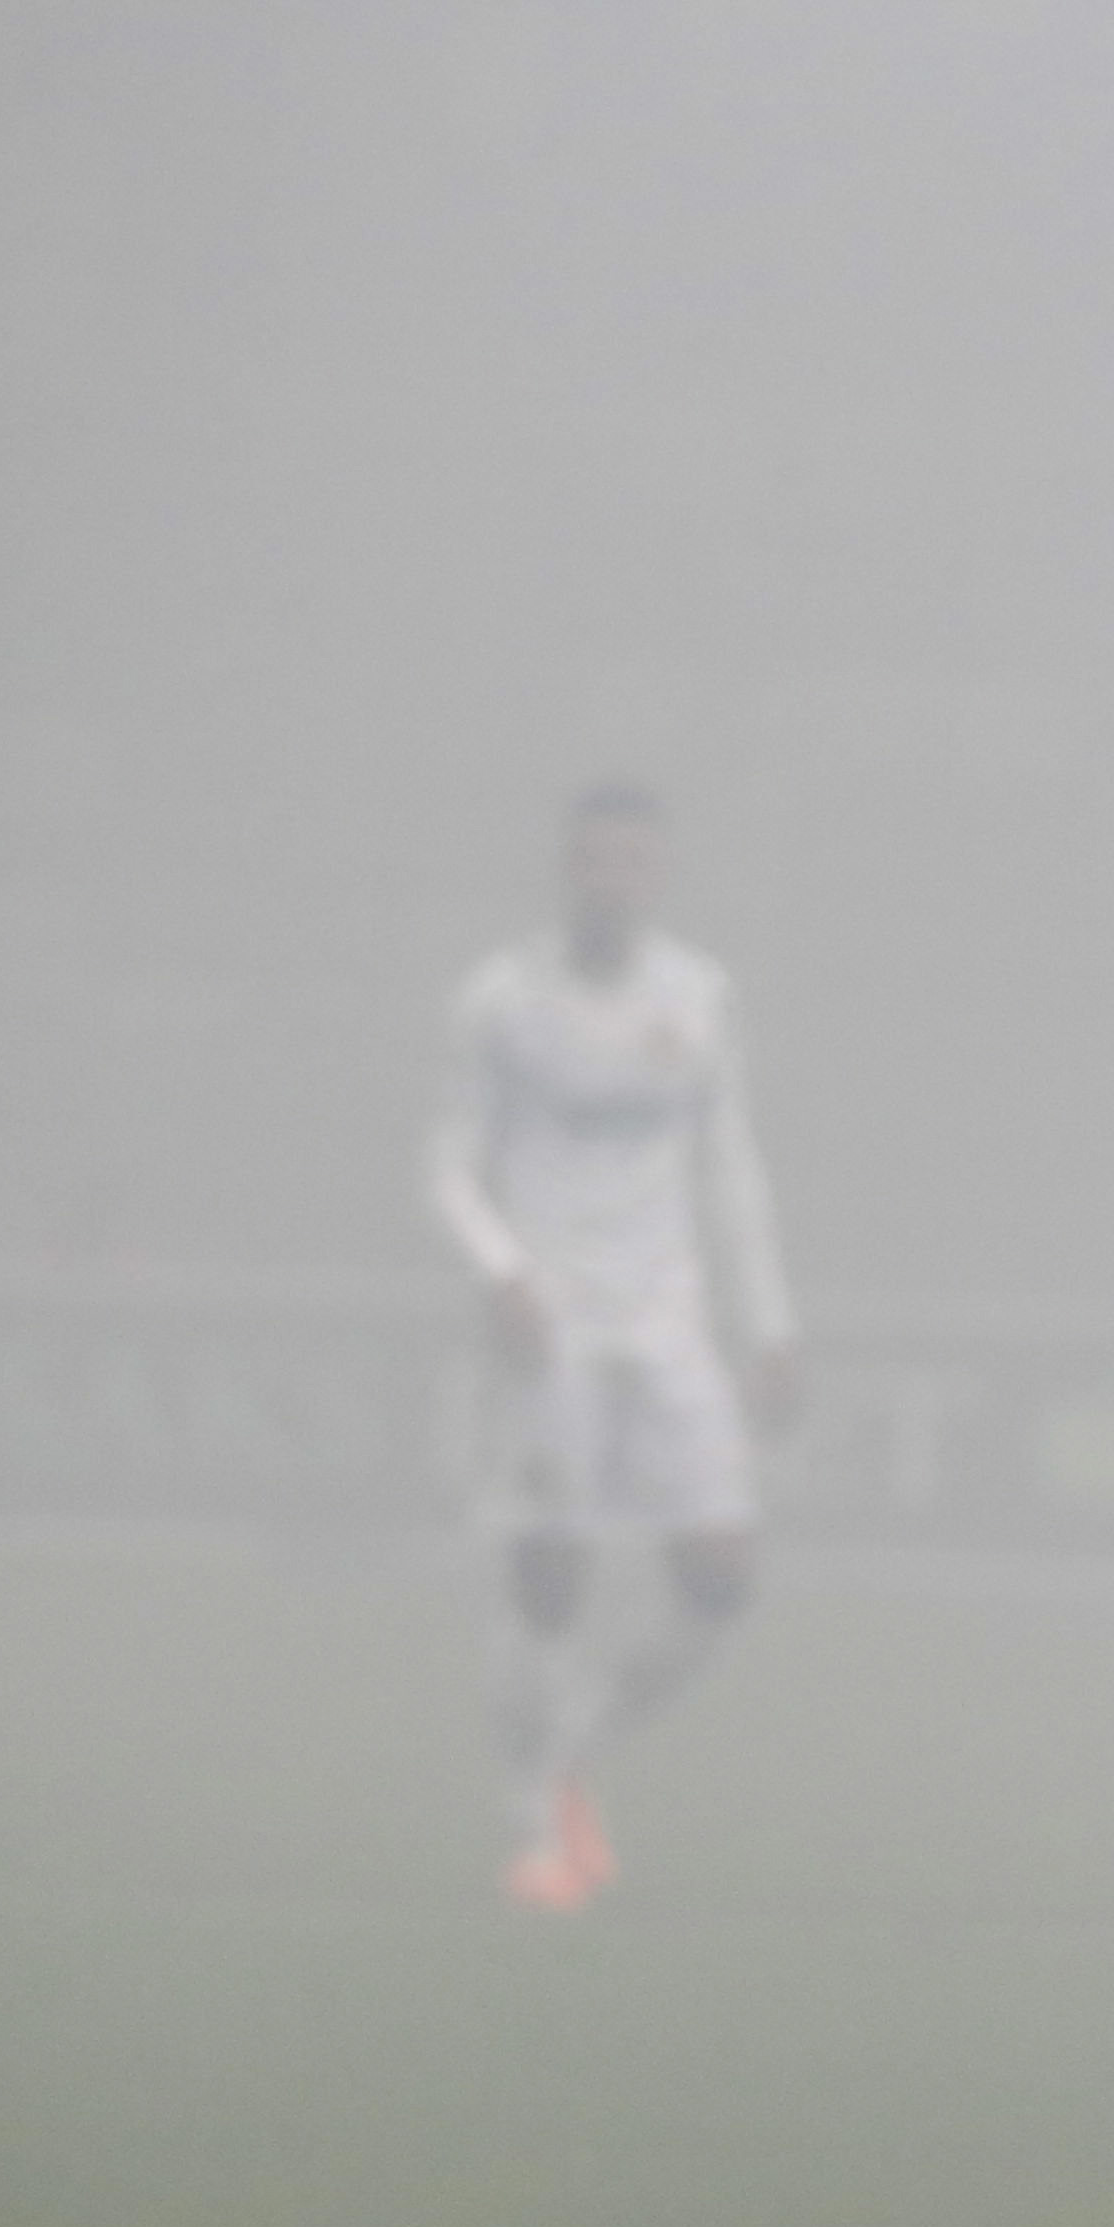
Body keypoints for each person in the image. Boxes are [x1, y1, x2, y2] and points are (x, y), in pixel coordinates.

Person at [426, 782, 795, 1911]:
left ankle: (567, 1741)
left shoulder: (696, 994)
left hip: (667, 1318)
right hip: (553, 1324)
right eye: (593, 860)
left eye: (632, 862)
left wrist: (769, 1323)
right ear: (567, 870)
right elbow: (446, 1162)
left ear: (657, 874)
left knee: (721, 1576)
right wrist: (502, 1273)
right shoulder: (504, 999)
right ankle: (535, 1815)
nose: (611, 881)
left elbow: (728, 1162)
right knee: (552, 1570)